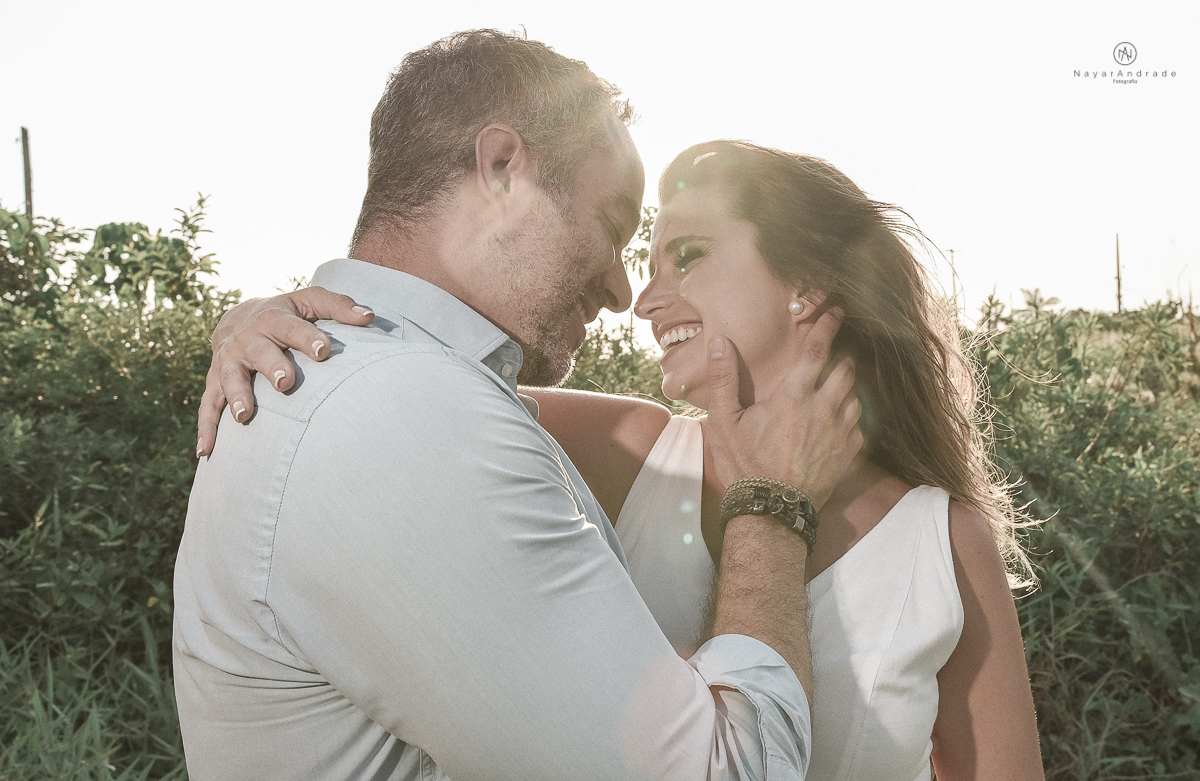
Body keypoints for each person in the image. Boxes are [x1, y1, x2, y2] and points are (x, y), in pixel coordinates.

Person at [202, 141, 1047, 779]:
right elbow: (405, 377)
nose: (642, 300)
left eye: (689, 257)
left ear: (811, 285)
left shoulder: (944, 543)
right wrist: (263, 318)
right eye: (647, 265)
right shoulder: (625, 451)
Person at [174, 31, 862, 781]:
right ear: (502, 169)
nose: (622, 291)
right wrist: (774, 507)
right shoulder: (408, 414)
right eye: (610, 227)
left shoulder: (369, 383)